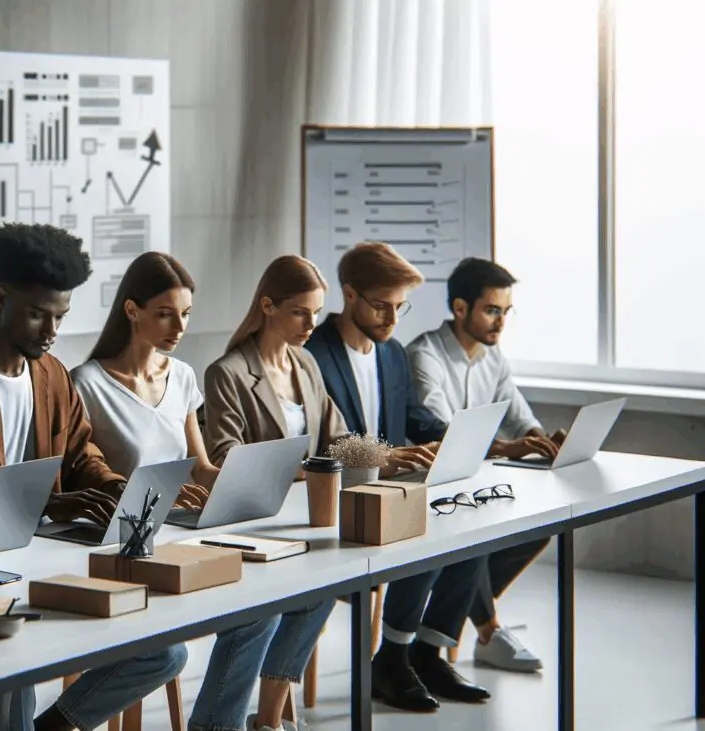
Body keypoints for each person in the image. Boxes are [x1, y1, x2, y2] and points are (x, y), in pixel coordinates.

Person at [0, 223, 187, 731]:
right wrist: (44, 507)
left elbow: (82, 453)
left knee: (163, 653)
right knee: (20, 660)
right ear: (0, 295)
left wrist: (113, 488)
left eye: (61, 317)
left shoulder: (52, 375)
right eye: (37, 315)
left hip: (51, 558)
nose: (51, 331)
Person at [202, 254, 423, 731]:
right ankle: (246, 718)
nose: (311, 324)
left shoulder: (305, 364)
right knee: (294, 597)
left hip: (305, 517)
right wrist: (312, 468)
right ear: (267, 306)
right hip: (255, 521)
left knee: (327, 586)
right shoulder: (229, 372)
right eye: (301, 312)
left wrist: (388, 456)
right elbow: (225, 459)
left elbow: (339, 438)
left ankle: (270, 716)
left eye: (316, 313)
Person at [304, 242, 491, 711]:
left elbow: (415, 419)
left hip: (389, 488)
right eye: (382, 305)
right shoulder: (313, 354)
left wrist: (466, 439)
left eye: (399, 307)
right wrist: (388, 459)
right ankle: (394, 657)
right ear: (349, 295)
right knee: (426, 530)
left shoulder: (390, 355)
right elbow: (319, 440)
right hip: (339, 492)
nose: (392, 318)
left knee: (473, 528)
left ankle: (425, 652)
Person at [407, 257, 561, 673]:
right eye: (492, 310)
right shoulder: (425, 356)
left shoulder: (494, 358)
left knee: (536, 531)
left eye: (506, 312)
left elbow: (519, 414)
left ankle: (452, 620)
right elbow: (442, 433)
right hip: (429, 484)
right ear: (460, 308)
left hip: (477, 482)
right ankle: (488, 630)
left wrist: (542, 439)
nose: (500, 322)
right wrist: (510, 449)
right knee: (473, 535)